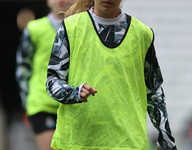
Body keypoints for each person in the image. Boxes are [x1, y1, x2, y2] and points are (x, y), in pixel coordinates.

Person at [46, 0, 177, 149]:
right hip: (77, 142)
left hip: (128, 142)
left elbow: (154, 92)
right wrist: (74, 93)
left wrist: (165, 137)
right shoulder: (70, 27)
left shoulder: (142, 34)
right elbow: (52, 80)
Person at [15, 0, 73, 149]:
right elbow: (23, 68)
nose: (61, 1)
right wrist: (28, 103)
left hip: (74, 105)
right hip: (42, 105)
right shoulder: (34, 29)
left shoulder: (81, 28)